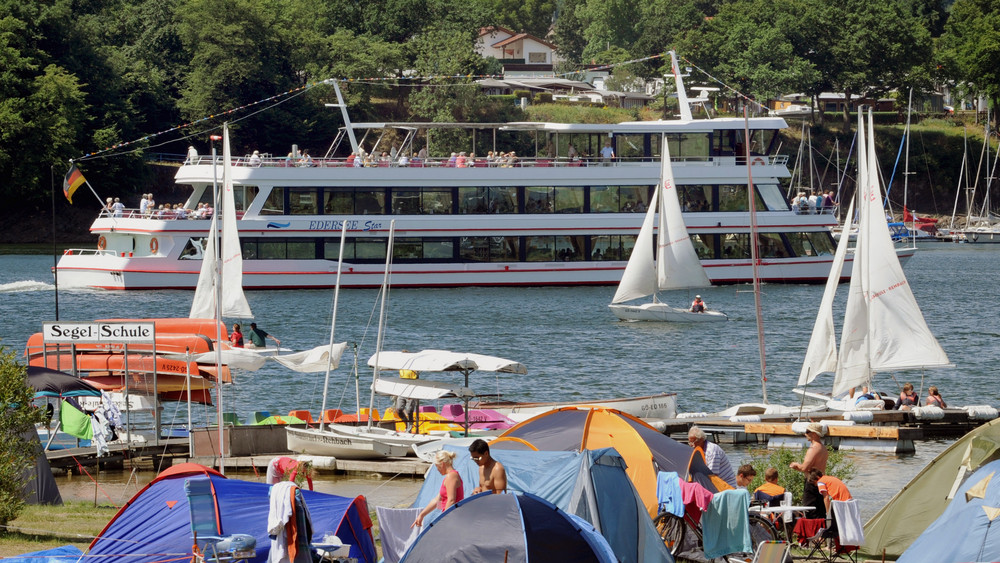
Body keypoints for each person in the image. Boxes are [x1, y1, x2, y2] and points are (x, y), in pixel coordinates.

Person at [413, 450, 463, 528]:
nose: (437, 469)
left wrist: (444, 520)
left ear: (442, 464)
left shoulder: (451, 476)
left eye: (436, 466)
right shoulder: (449, 477)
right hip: (448, 516)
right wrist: (422, 515)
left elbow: (451, 500)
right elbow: (437, 500)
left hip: (452, 519)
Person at [790, 422, 828, 519]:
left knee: (809, 510)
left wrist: (795, 465)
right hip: (821, 481)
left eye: (807, 432)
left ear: (814, 434)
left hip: (812, 482)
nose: (805, 434)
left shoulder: (813, 448)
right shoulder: (823, 448)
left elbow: (804, 468)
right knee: (820, 510)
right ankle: (821, 530)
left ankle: (813, 531)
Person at [808, 467, 852, 537]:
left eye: (814, 483)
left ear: (817, 477)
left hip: (841, 503)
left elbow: (826, 498)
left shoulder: (821, 482)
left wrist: (828, 513)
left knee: (830, 523)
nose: (816, 485)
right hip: (849, 501)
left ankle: (830, 545)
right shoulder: (829, 478)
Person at [395, 365, 419, 432]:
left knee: (409, 410)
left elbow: (416, 379)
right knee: (399, 409)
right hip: (402, 391)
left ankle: (409, 428)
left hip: (410, 391)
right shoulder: (401, 368)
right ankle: (406, 423)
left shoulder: (414, 369)